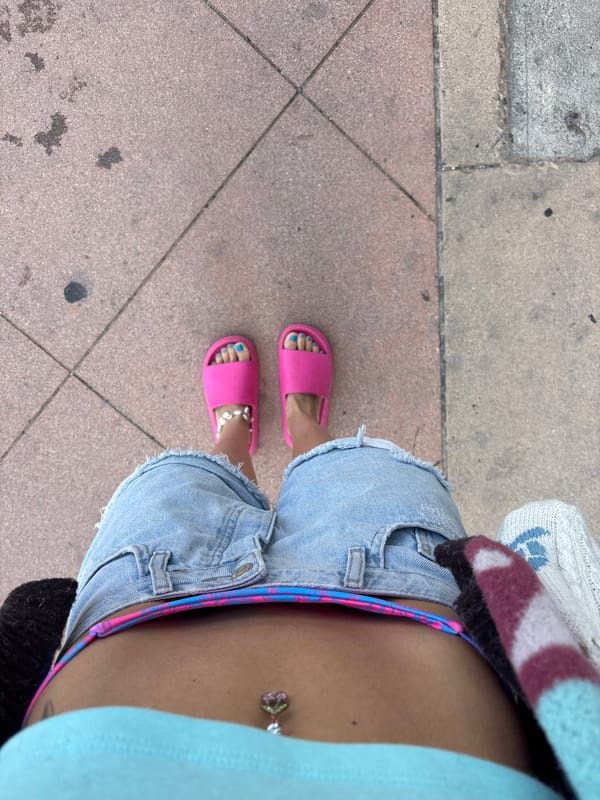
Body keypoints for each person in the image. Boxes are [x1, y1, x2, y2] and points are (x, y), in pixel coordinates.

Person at [1, 325, 598, 799]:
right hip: (394, 580)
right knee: (349, 471)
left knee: (186, 480)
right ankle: (305, 426)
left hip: (146, 588)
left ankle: (240, 434)